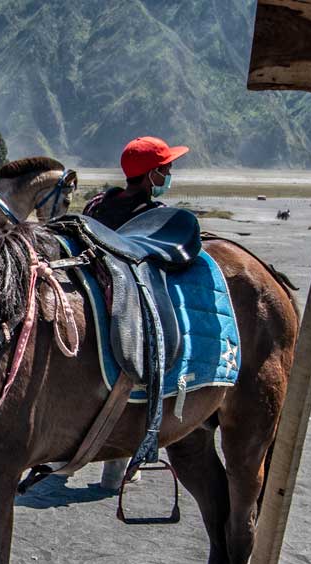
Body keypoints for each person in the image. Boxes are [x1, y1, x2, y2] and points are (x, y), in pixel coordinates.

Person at [82, 136, 189, 490]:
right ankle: (118, 468)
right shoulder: (152, 218)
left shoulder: (97, 205)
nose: (170, 174)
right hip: (125, 299)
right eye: (166, 169)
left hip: (90, 296)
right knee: (139, 360)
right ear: (152, 177)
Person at [82, 135, 188, 230]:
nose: (168, 175)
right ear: (153, 174)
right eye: (167, 171)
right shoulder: (159, 216)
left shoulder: (95, 204)